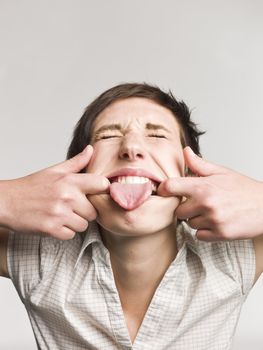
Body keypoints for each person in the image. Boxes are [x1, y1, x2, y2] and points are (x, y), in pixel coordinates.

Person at [0, 83, 263, 350]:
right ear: (79, 176)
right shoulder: (40, 258)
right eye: (108, 136)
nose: (131, 147)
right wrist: (6, 199)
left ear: (190, 175)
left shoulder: (232, 257)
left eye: (157, 136)